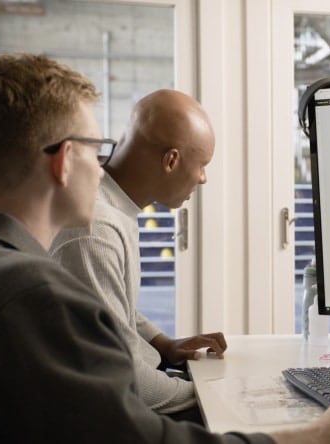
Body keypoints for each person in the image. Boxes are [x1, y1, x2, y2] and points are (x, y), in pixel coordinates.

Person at [0, 53, 330, 444]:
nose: (102, 168)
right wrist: (316, 437)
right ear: (64, 160)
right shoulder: (30, 295)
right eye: (95, 146)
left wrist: (162, 346)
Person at [50, 89, 224, 420]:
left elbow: (112, 306)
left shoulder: (113, 207)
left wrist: (164, 344)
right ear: (171, 160)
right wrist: (214, 395)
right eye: (202, 165)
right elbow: (129, 382)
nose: (203, 178)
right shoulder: (95, 229)